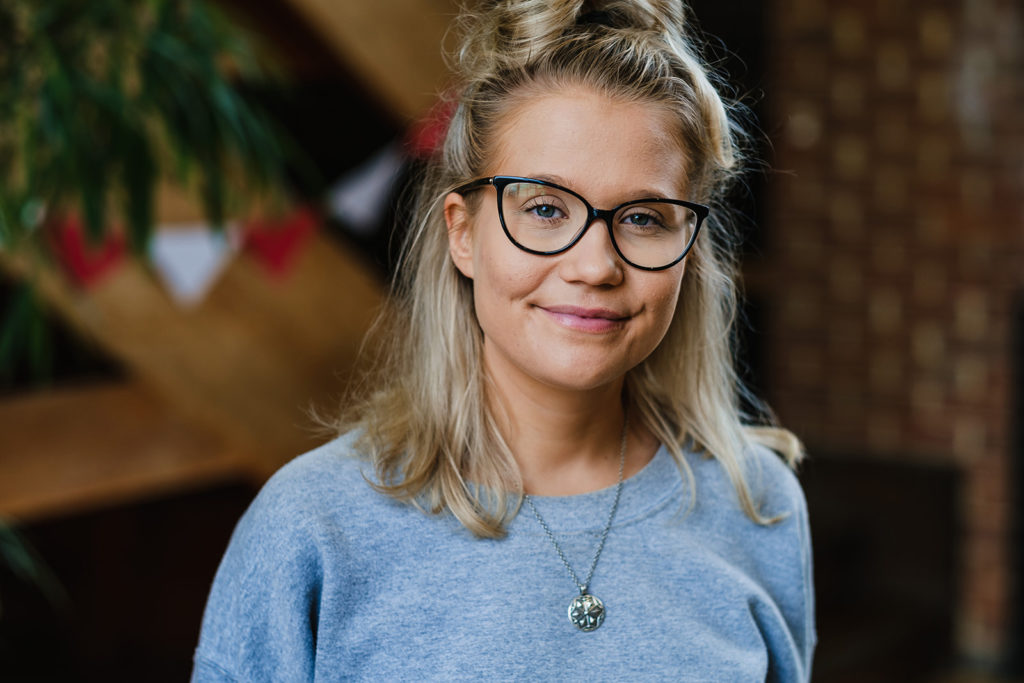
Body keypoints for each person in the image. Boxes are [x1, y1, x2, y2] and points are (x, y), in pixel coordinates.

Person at [192, 0, 816, 680]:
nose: (595, 265)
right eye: (545, 209)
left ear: (690, 246)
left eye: (643, 217)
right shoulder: (311, 526)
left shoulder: (760, 507)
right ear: (463, 231)